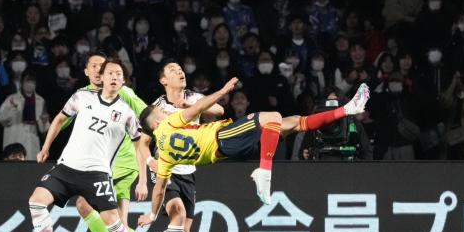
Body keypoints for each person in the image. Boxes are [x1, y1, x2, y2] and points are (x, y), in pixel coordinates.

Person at [138, 81, 370, 214]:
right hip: (224, 137)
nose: (167, 111)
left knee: (293, 122)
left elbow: (159, 190)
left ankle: (347, 109)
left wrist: (152, 214)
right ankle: (264, 172)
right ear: (157, 122)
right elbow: (197, 107)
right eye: (162, 111)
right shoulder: (168, 124)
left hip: (224, 151)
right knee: (273, 116)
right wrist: (222, 92)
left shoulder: (165, 155)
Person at [27, 59, 148, 232]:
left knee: (114, 223)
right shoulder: (81, 98)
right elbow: (61, 118)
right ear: (101, 78)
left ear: (124, 81)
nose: (113, 77)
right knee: (36, 201)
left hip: (97, 174)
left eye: (118, 74)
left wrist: (143, 179)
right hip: (67, 167)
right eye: (109, 73)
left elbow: (140, 145)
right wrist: (45, 147)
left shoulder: (127, 113)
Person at [139, 61, 225, 232]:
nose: (180, 72)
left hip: (189, 170)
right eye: (173, 71)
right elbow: (143, 143)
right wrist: (150, 163)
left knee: (182, 231)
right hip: (167, 170)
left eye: (180, 69)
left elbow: (219, 111)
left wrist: (193, 105)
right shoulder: (158, 108)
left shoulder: (193, 97)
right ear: (163, 80)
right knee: (177, 212)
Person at [0, 74, 49, 160]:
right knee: (12, 165)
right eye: (27, 81)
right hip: (14, 137)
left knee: (30, 167)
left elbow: (43, 128)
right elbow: (1, 118)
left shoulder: (40, 100)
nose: (30, 84)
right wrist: (13, 109)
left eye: (32, 82)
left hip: (31, 138)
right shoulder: (12, 99)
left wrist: (44, 122)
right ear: (22, 83)